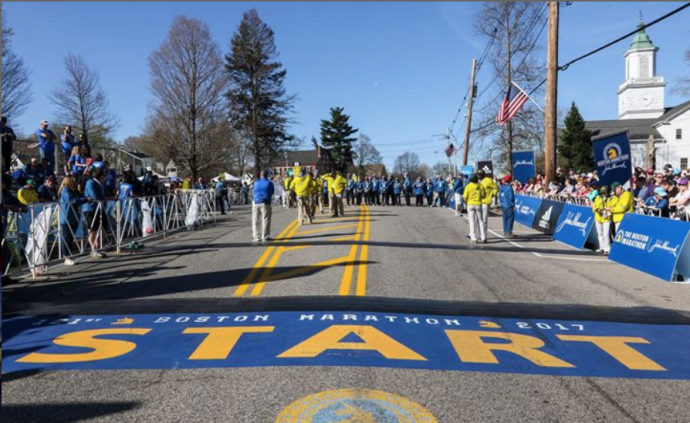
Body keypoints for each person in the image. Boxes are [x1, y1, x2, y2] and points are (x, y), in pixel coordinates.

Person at [59, 175, 90, 265]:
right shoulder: (65, 190)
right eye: (74, 180)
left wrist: (86, 198)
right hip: (67, 216)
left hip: (75, 216)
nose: (76, 182)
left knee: (71, 237)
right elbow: (72, 200)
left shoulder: (74, 190)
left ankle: (70, 256)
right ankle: (66, 257)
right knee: (66, 237)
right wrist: (86, 200)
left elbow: (82, 196)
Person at [84, 167, 108, 258]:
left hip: (100, 208)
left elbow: (105, 194)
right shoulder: (90, 182)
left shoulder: (101, 184)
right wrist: (103, 199)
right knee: (92, 229)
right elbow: (94, 195)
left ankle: (97, 247)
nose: (105, 177)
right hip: (91, 208)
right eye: (104, 175)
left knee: (105, 227)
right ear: (100, 175)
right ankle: (94, 249)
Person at [252, 171, 274, 243]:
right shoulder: (269, 183)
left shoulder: (256, 182)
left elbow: (253, 191)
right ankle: (265, 236)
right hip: (265, 202)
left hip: (256, 202)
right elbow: (272, 192)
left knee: (255, 220)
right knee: (266, 219)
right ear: (267, 175)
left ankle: (256, 236)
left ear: (260, 175)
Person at [463, 174, 486, 243]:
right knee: (480, 221)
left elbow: (465, 196)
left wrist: (467, 200)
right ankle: (483, 237)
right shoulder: (480, 186)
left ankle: (473, 237)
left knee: (472, 221)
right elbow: (483, 195)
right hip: (478, 204)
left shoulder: (468, 186)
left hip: (470, 204)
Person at [593, 186, 613, 254]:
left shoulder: (611, 198)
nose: (603, 194)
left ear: (608, 192)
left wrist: (609, 209)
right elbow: (594, 207)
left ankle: (607, 248)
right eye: (602, 193)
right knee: (600, 233)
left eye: (605, 193)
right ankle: (601, 247)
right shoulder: (597, 198)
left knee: (606, 233)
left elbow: (612, 207)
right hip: (598, 217)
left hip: (606, 218)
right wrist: (597, 209)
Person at [478, 170, 498, 234]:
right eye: (478, 175)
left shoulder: (488, 180)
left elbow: (496, 187)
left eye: (480, 175)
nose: (479, 176)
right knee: (478, 219)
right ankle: (479, 234)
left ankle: (484, 235)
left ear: (483, 175)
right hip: (477, 202)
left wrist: (493, 194)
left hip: (485, 202)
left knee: (484, 220)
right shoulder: (477, 181)